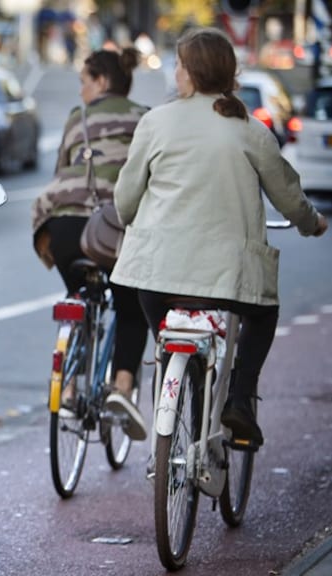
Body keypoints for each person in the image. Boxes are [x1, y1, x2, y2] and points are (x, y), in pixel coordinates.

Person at [111, 27, 328, 450]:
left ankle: (172, 378)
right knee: (263, 314)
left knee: (160, 327)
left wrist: (130, 217)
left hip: (156, 274)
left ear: (192, 73)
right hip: (229, 277)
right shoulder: (250, 129)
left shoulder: (155, 122)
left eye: (179, 65)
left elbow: (125, 199)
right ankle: (240, 400)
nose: (175, 72)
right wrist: (312, 223)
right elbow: (289, 197)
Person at [31, 47, 151, 440]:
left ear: (101, 81)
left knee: (78, 297)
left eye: (84, 81)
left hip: (66, 227)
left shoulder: (76, 118)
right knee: (131, 305)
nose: (80, 90)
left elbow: (60, 171)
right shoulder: (145, 118)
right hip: (114, 229)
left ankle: (67, 388)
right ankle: (122, 388)